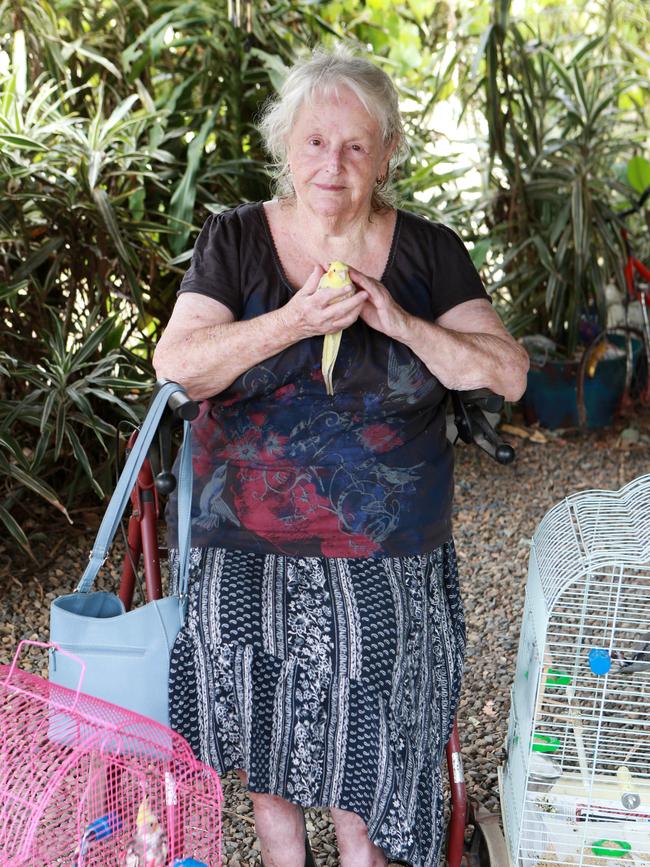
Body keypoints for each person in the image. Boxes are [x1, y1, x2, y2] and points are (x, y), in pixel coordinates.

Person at [154, 49, 528, 867]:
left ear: (386, 154)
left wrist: (399, 321)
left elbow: (505, 370)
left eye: (356, 145)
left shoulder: (429, 253)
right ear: (286, 146)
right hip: (243, 552)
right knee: (271, 774)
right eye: (316, 141)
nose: (334, 162)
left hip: (386, 559)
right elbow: (177, 364)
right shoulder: (236, 242)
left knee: (375, 780)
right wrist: (290, 320)